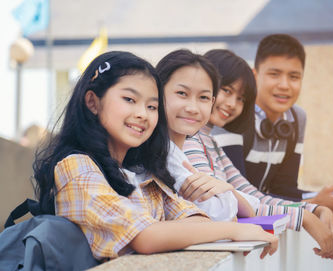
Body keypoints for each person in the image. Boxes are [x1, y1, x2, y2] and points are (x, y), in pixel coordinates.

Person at [32, 51, 278, 261]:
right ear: (93, 102)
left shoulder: (146, 173)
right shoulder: (76, 167)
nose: (143, 114)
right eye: (129, 99)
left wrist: (207, 223)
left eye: (152, 106)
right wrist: (234, 231)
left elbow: (198, 219)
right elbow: (144, 236)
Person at [179, 48, 333, 259]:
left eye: (241, 98)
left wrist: (313, 209)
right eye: (227, 90)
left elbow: (254, 196)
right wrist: (304, 218)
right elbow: (217, 205)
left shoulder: (210, 142)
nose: (232, 104)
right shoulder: (187, 140)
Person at [215, 34, 333, 223]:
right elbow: (240, 195)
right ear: (254, 76)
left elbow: (284, 188)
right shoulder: (234, 114)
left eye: (294, 77)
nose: (284, 85)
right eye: (274, 74)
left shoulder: (297, 118)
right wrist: (316, 206)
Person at [156, 49, 258, 221]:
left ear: (211, 101)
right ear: (157, 92)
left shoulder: (189, 149)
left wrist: (228, 192)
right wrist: (230, 198)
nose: (192, 108)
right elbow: (218, 212)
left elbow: (251, 203)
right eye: (182, 93)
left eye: (203, 97)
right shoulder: (163, 153)